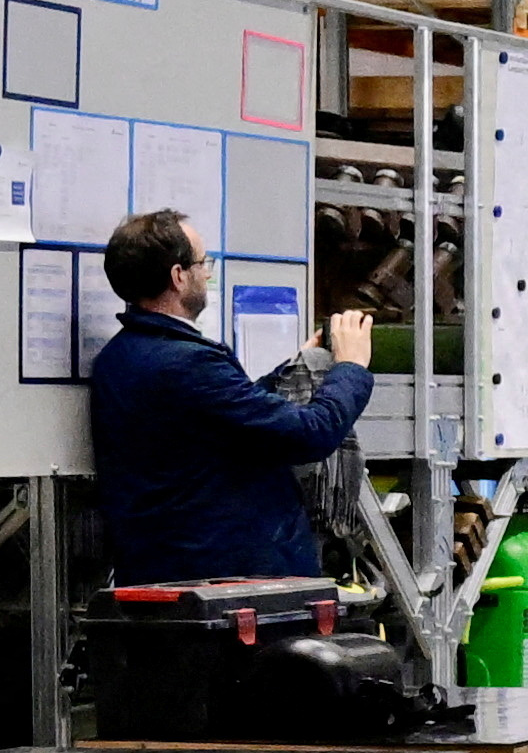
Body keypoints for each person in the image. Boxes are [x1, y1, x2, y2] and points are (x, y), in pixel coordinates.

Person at [88, 206, 376, 585]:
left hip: (171, 575)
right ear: (178, 276)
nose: (207, 274)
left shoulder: (120, 357)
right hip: (227, 584)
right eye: (202, 264)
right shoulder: (187, 363)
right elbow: (312, 434)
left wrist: (290, 369)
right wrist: (352, 367)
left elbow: (228, 417)